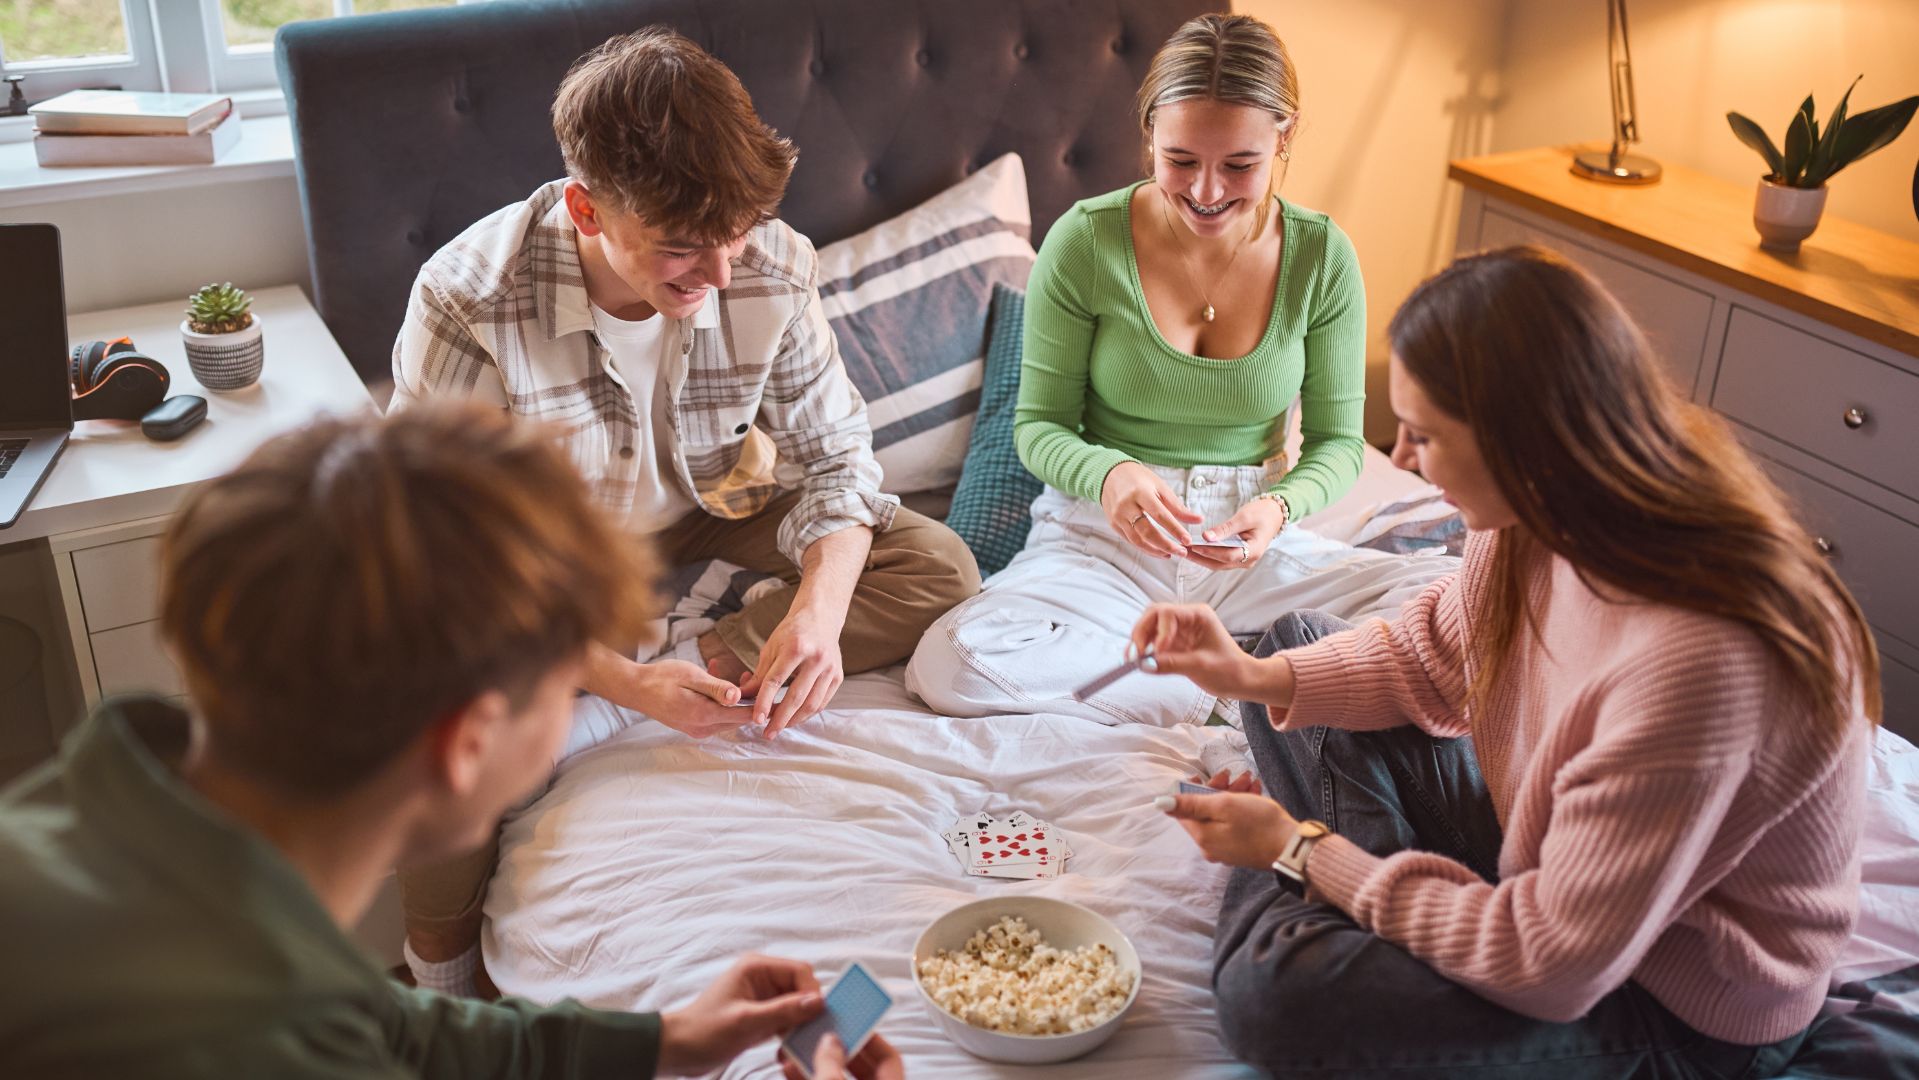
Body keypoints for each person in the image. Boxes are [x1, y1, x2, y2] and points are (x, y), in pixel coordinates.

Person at [1134, 246, 1879, 1076]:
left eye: (1425, 434)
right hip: (1549, 868)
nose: (1404, 458)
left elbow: (1549, 964)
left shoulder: (1700, 665)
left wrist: (1300, 850)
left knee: (1280, 1000)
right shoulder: (1528, 516)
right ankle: (1371, 905)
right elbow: (1435, 660)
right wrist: (1246, 676)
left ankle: (1330, 905)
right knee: (1293, 643)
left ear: (1527, 440)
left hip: (1662, 998)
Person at [0, 403, 904, 1080]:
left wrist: (660, 1042)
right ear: (468, 741)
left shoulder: (100, 817)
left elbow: (381, 1022)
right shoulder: (248, 1041)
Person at [392, 28, 978, 993]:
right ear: (586, 208)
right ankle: (444, 990)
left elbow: (837, 459)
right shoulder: (469, 300)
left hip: (713, 501)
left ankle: (673, 674)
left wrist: (816, 619)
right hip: (548, 553)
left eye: (734, 239)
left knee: (938, 564)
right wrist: (622, 686)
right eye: (679, 252)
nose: (715, 281)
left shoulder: (770, 263)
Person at [906, 13, 1450, 727]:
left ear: (1282, 138)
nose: (1204, 192)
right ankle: (1231, 695)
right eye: (1181, 159)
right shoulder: (1084, 241)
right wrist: (1109, 474)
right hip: (1102, 540)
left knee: (1454, 603)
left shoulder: (1322, 256)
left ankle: (1208, 677)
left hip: (1249, 537)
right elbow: (1037, 426)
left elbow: (1340, 445)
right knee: (953, 665)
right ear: (1150, 133)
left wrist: (1277, 507)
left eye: (1239, 165)